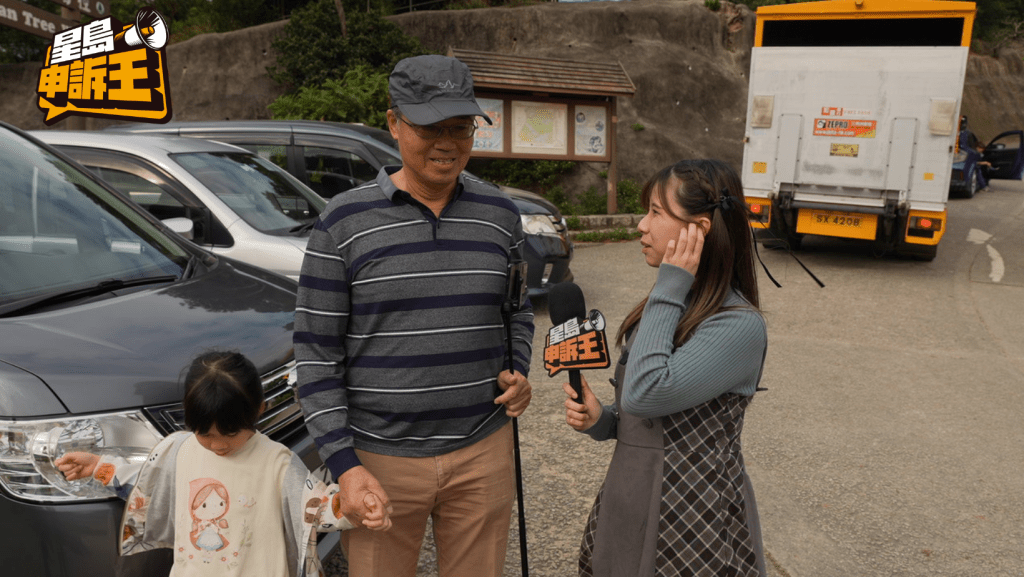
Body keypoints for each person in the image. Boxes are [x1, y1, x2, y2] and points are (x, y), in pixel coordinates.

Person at [293, 54, 535, 577]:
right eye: (430, 126)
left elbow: (517, 310)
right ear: (394, 123)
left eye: (461, 127)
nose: (447, 142)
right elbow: (315, 356)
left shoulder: (501, 216)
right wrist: (344, 465)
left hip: (483, 447)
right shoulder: (342, 223)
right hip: (379, 458)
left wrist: (520, 370)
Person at [563, 159, 769, 576]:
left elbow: (646, 392)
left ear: (700, 229)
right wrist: (602, 420)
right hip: (629, 497)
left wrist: (669, 284)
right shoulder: (672, 306)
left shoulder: (738, 325)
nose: (641, 225)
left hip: (693, 519)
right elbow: (638, 415)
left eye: (656, 212)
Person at [55, 351, 389, 577]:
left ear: (258, 410)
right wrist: (98, 466)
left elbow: (312, 505)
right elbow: (148, 485)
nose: (218, 445)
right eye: (205, 433)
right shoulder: (178, 449)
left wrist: (351, 505)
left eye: (229, 433)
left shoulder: (277, 463)